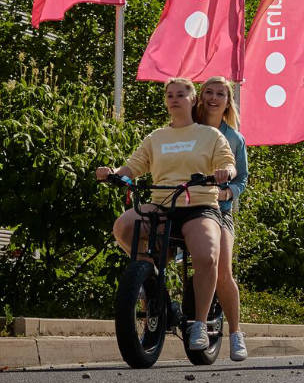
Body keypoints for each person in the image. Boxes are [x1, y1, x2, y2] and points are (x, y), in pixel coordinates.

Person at [95, 77, 235, 355]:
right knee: (123, 227)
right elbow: (133, 167)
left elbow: (228, 164)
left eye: (181, 94)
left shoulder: (210, 135)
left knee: (207, 256)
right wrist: (114, 173)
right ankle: (150, 280)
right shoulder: (156, 137)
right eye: (169, 94)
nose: (174, 98)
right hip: (162, 203)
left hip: (199, 205)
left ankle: (198, 323)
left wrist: (225, 173)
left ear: (192, 99)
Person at [192, 76, 250, 362]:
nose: (214, 98)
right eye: (209, 93)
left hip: (219, 211)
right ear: (201, 96)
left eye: (220, 94)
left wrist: (227, 192)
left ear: (228, 102)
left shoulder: (234, 138)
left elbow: (243, 180)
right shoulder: (187, 128)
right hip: (183, 207)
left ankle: (236, 334)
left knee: (224, 271)